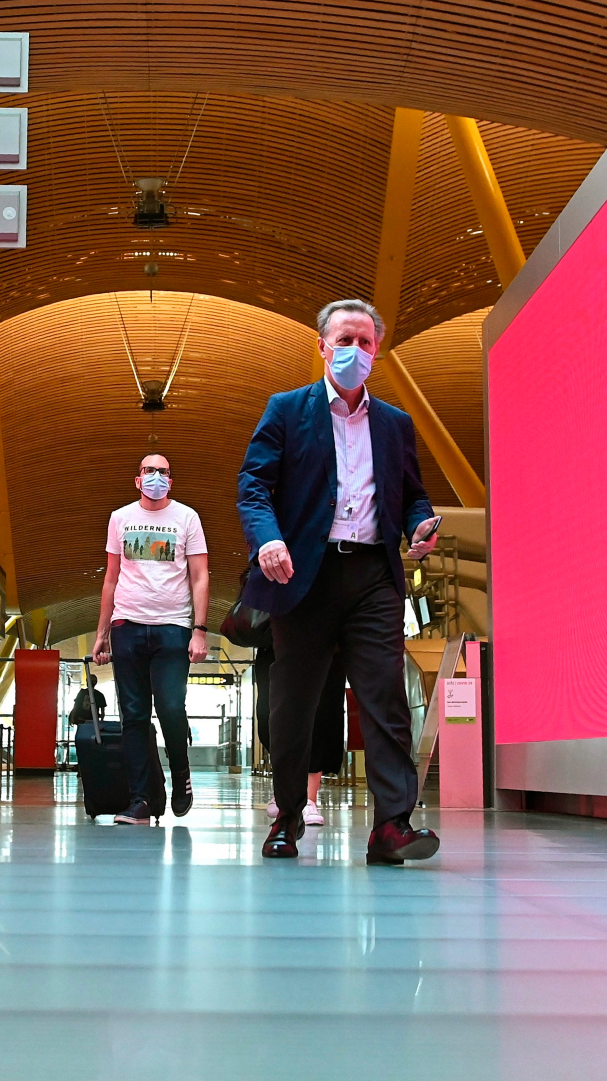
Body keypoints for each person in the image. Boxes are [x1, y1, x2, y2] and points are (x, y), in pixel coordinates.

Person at [237, 298, 442, 864]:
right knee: (294, 703)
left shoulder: (395, 424)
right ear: (322, 345)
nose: (354, 351)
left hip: (374, 574)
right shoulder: (286, 410)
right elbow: (253, 486)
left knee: (385, 697)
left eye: (365, 342)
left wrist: (419, 523)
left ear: (377, 350)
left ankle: (392, 826)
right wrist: (269, 539)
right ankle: (287, 818)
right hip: (303, 573)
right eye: (343, 340)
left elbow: (411, 492)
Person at [92, 453, 211, 823]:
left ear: (170, 482)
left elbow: (200, 575)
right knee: (134, 716)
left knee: (172, 707)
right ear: (137, 479)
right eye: (149, 470)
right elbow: (111, 577)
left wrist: (200, 630)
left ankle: (180, 774)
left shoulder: (187, 517)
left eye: (163, 472)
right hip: (127, 626)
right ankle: (140, 799)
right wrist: (102, 633)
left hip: (172, 627)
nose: (155, 476)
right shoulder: (120, 518)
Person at [254, 646, 343, 826]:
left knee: (320, 711)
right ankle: (286, 790)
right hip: (275, 636)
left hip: (325, 636)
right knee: (271, 713)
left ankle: (308, 800)